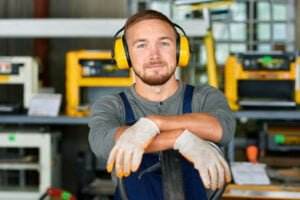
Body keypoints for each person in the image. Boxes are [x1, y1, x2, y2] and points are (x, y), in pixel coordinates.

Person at [88, 9, 236, 200]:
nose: (154, 55)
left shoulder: (204, 96)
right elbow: (104, 144)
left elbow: (220, 128)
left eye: (164, 43)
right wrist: (180, 139)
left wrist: (154, 124)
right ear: (125, 56)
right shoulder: (111, 105)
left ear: (179, 51)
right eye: (141, 45)